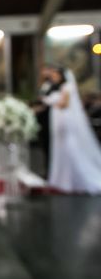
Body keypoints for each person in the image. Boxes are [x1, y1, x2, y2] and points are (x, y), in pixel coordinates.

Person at [43, 65, 101, 194]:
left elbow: (64, 104)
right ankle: (63, 179)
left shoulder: (67, 87)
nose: (54, 77)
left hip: (65, 120)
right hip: (59, 118)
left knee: (70, 148)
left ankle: (74, 178)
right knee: (61, 148)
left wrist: (49, 101)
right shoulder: (58, 87)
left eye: (56, 74)